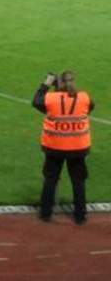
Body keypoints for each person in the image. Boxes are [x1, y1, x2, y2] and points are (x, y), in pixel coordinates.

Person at [34, 70, 93, 225]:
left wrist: (46, 84)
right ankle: (80, 216)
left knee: (51, 180)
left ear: (59, 83)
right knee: (78, 182)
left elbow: (37, 102)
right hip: (78, 147)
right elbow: (89, 108)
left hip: (55, 147)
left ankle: (46, 213)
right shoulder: (84, 97)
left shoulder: (51, 98)